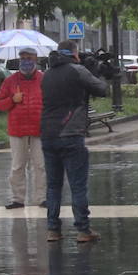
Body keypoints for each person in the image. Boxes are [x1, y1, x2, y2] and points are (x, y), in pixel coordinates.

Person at [40, 39, 109, 243]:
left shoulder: (46, 74)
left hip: (48, 135)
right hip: (71, 134)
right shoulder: (77, 70)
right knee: (78, 185)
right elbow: (101, 89)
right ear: (73, 53)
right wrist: (95, 71)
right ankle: (83, 229)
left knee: (53, 186)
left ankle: (53, 229)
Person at [0, 46, 45, 209]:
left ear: (36, 59)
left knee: (41, 165)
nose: (26, 61)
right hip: (17, 130)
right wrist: (12, 100)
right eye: (23, 58)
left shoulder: (44, 79)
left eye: (29, 58)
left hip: (40, 129)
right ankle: (18, 199)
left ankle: (42, 198)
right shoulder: (10, 81)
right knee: (17, 166)